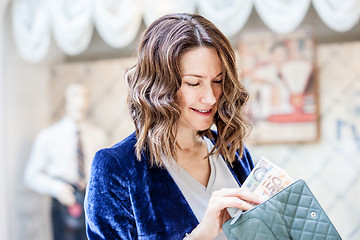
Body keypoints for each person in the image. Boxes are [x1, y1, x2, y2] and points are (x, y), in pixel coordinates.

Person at [85, 13, 260, 240]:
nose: (210, 97)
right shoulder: (117, 168)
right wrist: (201, 235)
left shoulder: (231, 151)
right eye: (193, 83)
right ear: (160, 85)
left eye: (217, 81)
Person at [24, 83, 107, 240]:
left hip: (92, 200)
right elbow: (31, 175)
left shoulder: (98, 136)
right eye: (75, 96)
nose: (80, 102)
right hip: (63, 201)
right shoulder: (48, 136)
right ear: (67, 100)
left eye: (83, 96)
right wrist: (56, 188)